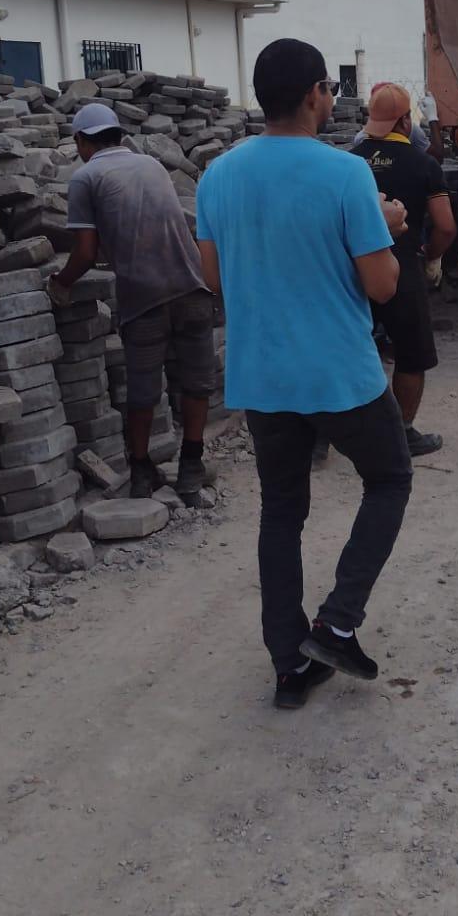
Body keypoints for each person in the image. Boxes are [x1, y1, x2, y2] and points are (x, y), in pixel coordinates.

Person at [195, 38, 413, 709]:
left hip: (264, 375)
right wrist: (388, 227)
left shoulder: (217, 177)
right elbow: (382, 286)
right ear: (318, 93)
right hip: (339, 372)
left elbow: (213, 277)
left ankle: (288, 664)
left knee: (281, 513)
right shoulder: (346, 176)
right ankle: (338, 622)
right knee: (389, 478)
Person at [47, 104, 217, 503]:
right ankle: (191, 468)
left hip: (144, 298)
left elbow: (86, 253)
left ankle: (141, 473)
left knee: (142, 392)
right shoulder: (153, 166)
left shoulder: (85, 177)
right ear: (118, 135)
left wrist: (60, 282)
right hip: (192, 286)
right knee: (197, 384)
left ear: (81, 141)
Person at [353, 83, 457, 457]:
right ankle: (403, 433)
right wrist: (431, 254)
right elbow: (446, 226)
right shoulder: (422, 163)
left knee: (352, 348)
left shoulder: (350, 161)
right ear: (404, 120)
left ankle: (336, 435)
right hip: (402, 269)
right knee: (411, 352)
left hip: (352, 273)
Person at [352, 88, 444, 162]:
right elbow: (436, 159)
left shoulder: (357, 148)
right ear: (405, 119)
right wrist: (432, 118)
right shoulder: (422, 164)